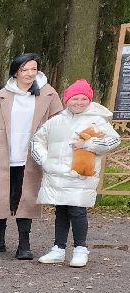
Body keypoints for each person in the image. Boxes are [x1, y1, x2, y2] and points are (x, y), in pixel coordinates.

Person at [0, 53, 62, 259]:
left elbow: (58, 121)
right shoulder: (3, 94)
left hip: (31, 156)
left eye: (34, 69)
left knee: (26, 199)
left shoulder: (48, 93)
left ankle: (24, 244)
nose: (30, 73)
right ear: (16, 72)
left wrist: (49, 148)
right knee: (1, 197)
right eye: (25, 69)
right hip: (3, 154)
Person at [31, 80, 121, 267]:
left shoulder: (97, 121)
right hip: (57, 175)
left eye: (83, 98)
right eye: (74, 98)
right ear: (66, 100)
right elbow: (37, 141)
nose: (79, 102)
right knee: (61, 211)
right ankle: (59, 248)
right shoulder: (55, 121)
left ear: (89, 100)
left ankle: (80, 249)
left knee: (78, 211)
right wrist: (45, 160)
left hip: (80, 175)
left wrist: (89, 145)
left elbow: (114, 141)